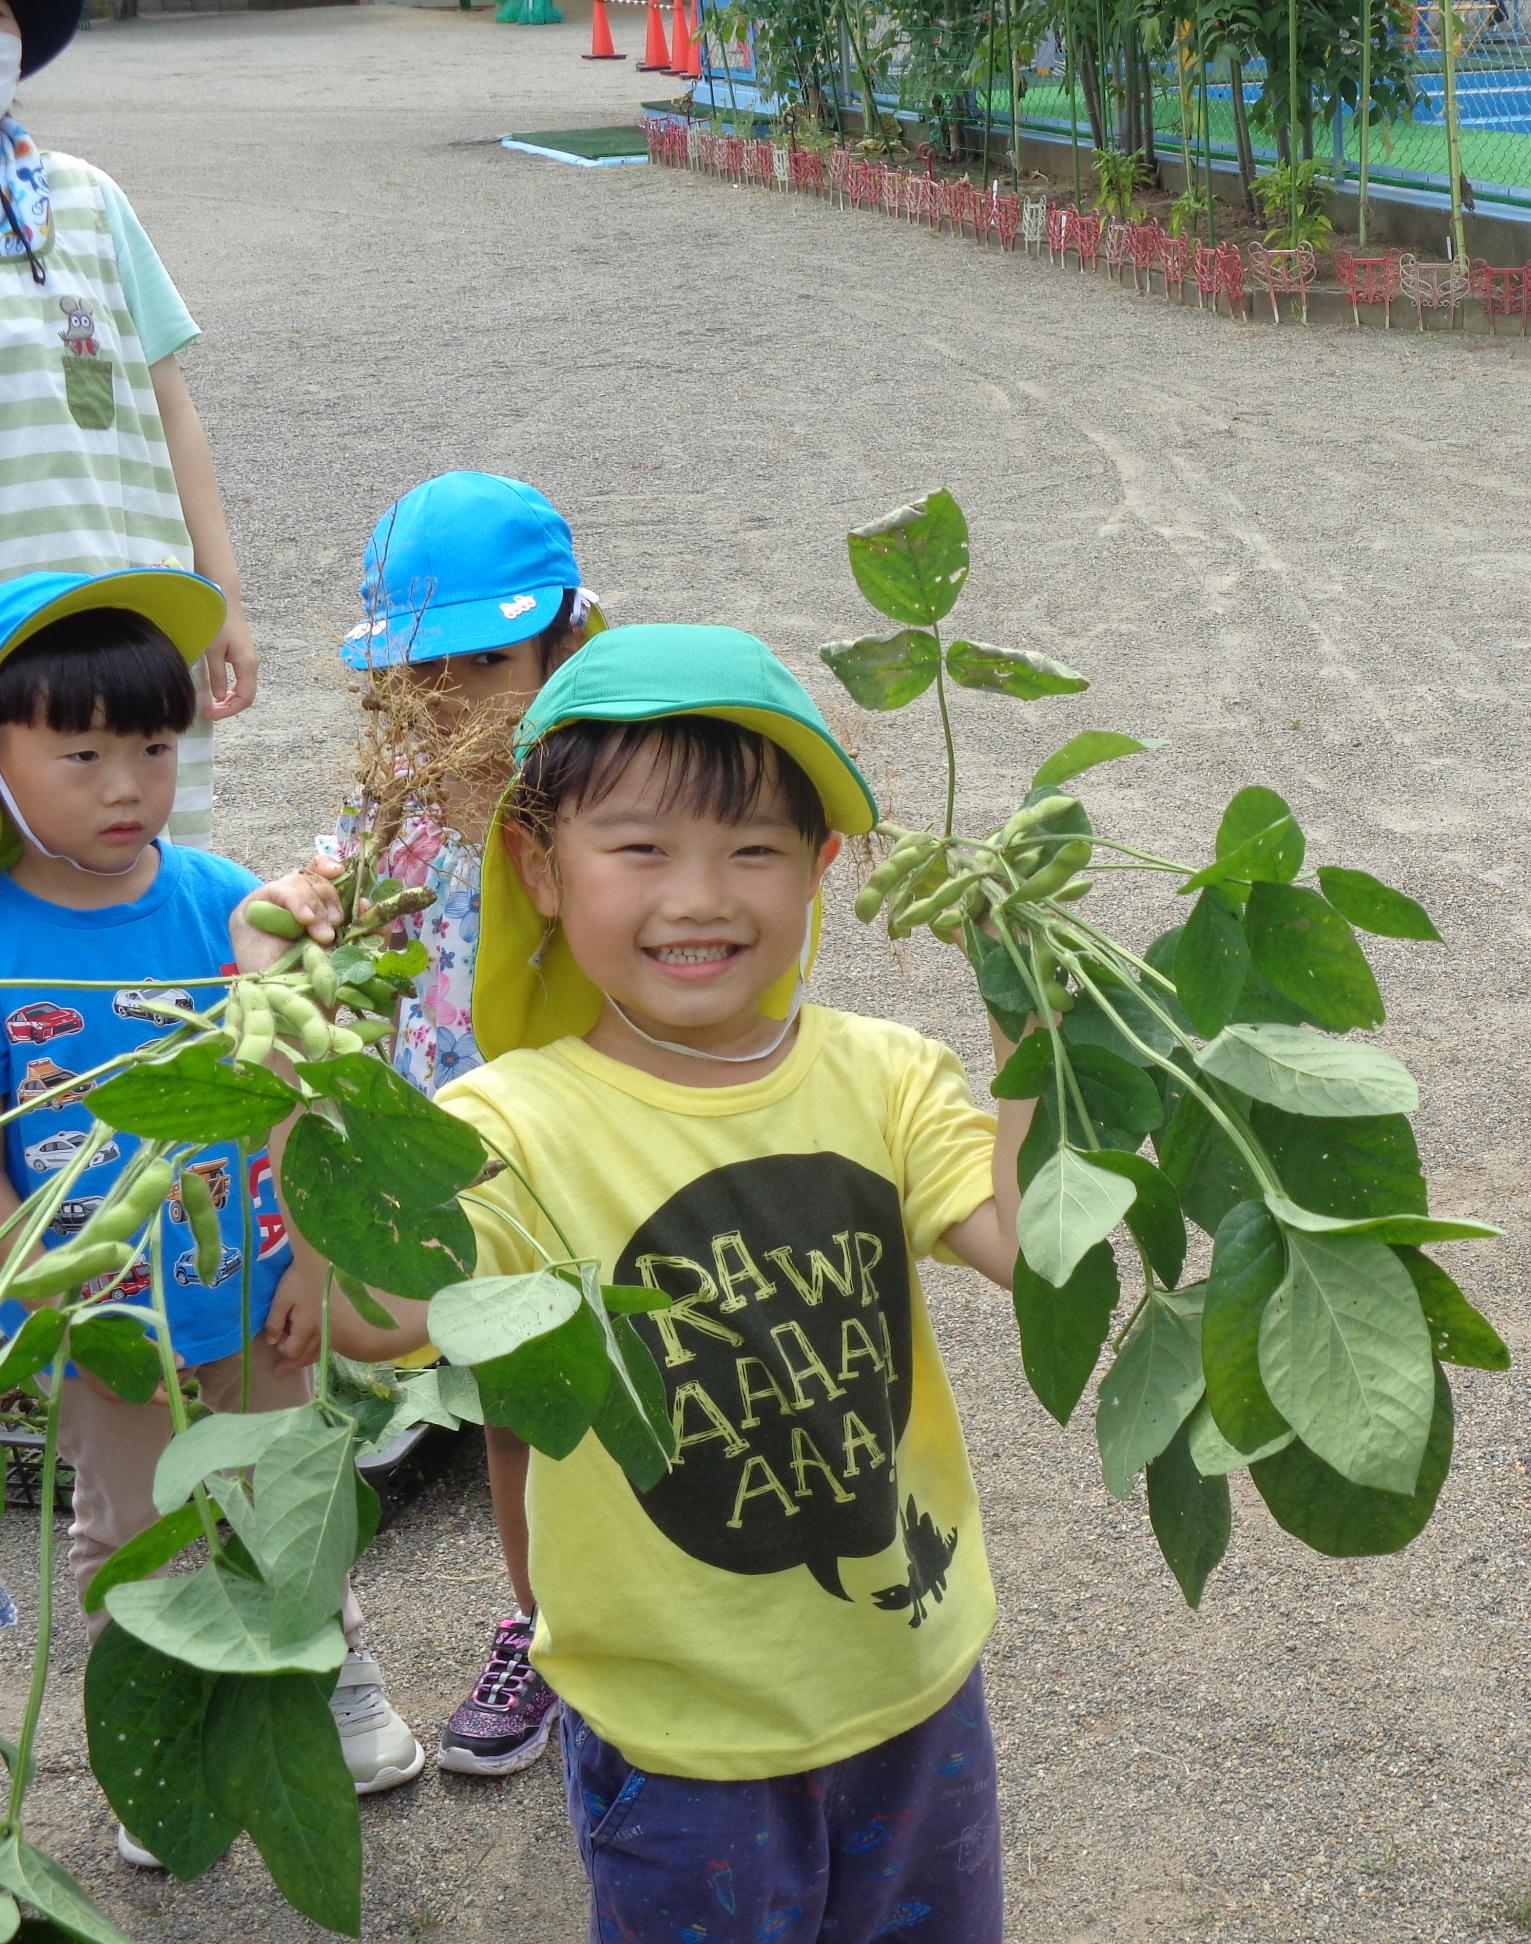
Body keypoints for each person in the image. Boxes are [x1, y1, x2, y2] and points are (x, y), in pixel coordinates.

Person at [311, 626, 1029, 1942]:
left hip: (913, 1679)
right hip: (678, 1730)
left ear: (818, 870)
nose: (700, 896)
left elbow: (1027, 1244)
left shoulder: (885, 1074)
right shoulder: (507, 1126)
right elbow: (366, 1318)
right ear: (540, 864)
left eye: (754, 848)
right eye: (640, 849)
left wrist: (1043, 1032)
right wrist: (299, 1065)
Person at [0, 567, 423, 1870]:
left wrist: (311, 1250)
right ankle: (165, 1739)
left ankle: (326, 1676)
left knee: (289, 1495)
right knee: (135, 1529)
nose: (128, 786)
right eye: (82, 754)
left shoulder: (223, 904)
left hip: (248, 1295)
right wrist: (27, 1284)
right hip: (103, 1315)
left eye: (155, 747)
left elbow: (298, 1087)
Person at [324, 470, 601, 1780]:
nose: (451, 699)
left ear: (563, 642)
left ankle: (663, 1644)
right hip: (472, 1175)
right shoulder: (388, 807)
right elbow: (345, 951)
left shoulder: (605, 794)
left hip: (611, 1155)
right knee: (515, 1418)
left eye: (485, 659)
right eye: (417, 671)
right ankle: (545, 1632)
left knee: (662, 1403)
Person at [0, 0, 256, 848]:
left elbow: (171, 406)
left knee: (133, 852)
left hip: (127, 612)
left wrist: (221, 595)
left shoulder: (90, 200)